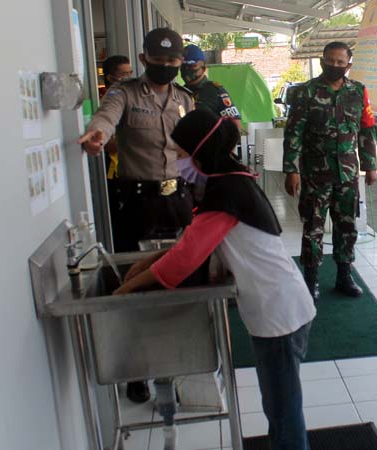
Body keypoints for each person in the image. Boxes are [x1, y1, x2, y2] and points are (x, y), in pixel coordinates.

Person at [114, 109, 316, 450]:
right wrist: (141, 265)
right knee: (280, 410)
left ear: (200, 151)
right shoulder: (230, 181)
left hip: (279, 315)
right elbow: (191, 242)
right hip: (280, 308)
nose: (177, 162)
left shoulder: (226, 194)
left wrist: (129, 287)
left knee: (283, 415)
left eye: (180, 154)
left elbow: (182, 261)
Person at [79, 28, 194, 404]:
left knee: (181, 282)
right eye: (158, 61)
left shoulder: (184, 99)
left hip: (178, 201)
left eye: (172, 62)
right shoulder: (124, 93)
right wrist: (96, 134)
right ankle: (137, 370)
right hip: (138, 203)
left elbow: (194, 147)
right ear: (144, 59)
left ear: (180, 64)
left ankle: (177, 361)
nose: (165, 67)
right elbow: (106, 116)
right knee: (136, 285)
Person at [283, 41, 377, 301]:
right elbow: (294, 133)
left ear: (348, 64)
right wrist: (291, 170)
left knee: (346, 227)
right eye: (330, 61)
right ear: (322, 60)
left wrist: (370, 165)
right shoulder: (306, 92)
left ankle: (344, 276)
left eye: (340, 62)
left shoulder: (358, 91)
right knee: (313, 227)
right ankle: (311, 280)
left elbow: (366, 130)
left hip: (347, 175)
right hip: (315, 175)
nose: (334, 65)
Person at [99, 55, 132, 238]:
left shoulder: (132, 99)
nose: (128, 77)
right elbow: (108, 144)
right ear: (111, 77)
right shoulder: (106, 102)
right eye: (123, 74)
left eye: (130, 72)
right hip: (114, 174)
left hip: (130, 171)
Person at [180, 44, 242, 129]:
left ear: (203, 69)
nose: (187, 70)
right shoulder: (179, 92)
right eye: (183, 66)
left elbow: (235, 125)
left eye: (192, 66)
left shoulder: (215, 91)